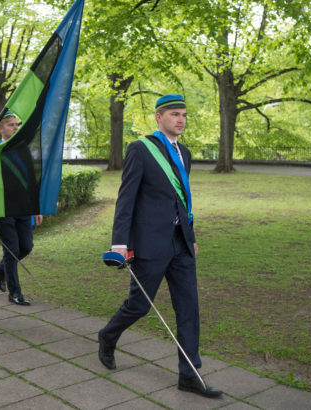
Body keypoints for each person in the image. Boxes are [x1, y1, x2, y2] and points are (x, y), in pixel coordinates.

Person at [97, 94, 223, 398]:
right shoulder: (140, 150)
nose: (180, 120)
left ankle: (189, 374)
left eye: (183, 115)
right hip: (149, 244)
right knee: (140, 305)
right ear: (159, 117)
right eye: (174, 115)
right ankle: (108, 335)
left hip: (180, 244)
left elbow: (182, 200)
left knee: (188, 307)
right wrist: (119, 245)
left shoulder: (186, 153)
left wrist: (190, 238)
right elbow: (126, 199)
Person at [0, 111, 42, 305]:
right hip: (3, 208)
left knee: (26, 246)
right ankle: (15, 293)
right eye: (10, 125)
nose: (15, 128)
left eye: (16, 124)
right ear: (0, 128)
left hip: (23, 207)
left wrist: (36, 208)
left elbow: (31, 181)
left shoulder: (23, 149)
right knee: (12, 250)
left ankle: (1, 267)